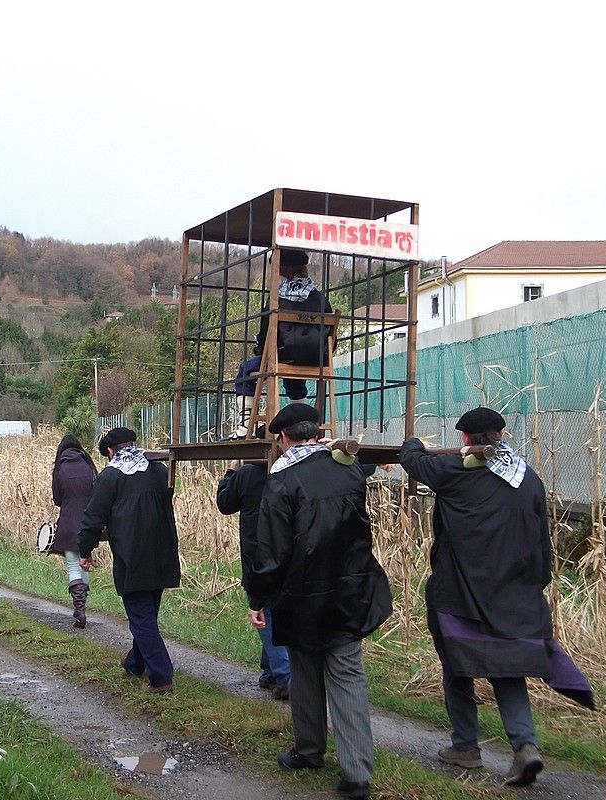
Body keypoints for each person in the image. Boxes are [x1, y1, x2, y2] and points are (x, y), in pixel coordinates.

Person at [399, 406, 593, 787]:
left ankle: (466, 747)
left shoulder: (457, 474)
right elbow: (542, 542)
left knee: (458, 666)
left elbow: (413, 462)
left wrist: (415, 443)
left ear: (467, 441)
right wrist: (536, 585)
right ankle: (525, 745)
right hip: (515, 596)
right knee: (508, 671)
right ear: (500, 437)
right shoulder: (528, 479)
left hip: (460, 594)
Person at [249, 403, 391, 800]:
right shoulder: (348, 470)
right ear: (316, 432)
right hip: (349, 590)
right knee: (347, 676)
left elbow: (271, 551)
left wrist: (258, 598)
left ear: (282, 438)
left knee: (305, 671)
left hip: (301, 594)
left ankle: (309, 751)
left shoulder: (280, 481)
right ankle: (357, 772)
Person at [78, 427, 181, 693]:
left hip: (131, 555)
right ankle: (135, 664)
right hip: (162, 551)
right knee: (146, 614)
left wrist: (85, 550)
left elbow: (93, 517)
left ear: (111, 451)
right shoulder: (159, 471)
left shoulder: (110, 476)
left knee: (141, 616)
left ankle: (161, 676)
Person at [232, 248, 333, 438]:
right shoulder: (321, 300)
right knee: (294, 375)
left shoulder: (277, 299)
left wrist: (261, 351)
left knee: (246, 371)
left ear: (281, 270)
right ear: (304, 269)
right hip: (317, 361)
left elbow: (265, 335)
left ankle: (245, 426)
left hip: (282, 357)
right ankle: (301, 424)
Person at [216, 458, 290, 700]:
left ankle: (284, 675)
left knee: (264, 614)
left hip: (257, 555)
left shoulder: (248, 473)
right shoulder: (292, 468)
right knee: (276, 611)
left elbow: (225, 503)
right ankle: (270, 671)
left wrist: (230, 473)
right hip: (290, 552)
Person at [50, 433, 98, 628]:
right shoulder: (89, 467)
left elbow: (57, 500)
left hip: (68, 522)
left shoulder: (60, 469)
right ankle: (82, 606)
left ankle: (80, 610)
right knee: (84, 562)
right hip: (89, 522)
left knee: (72, 565)